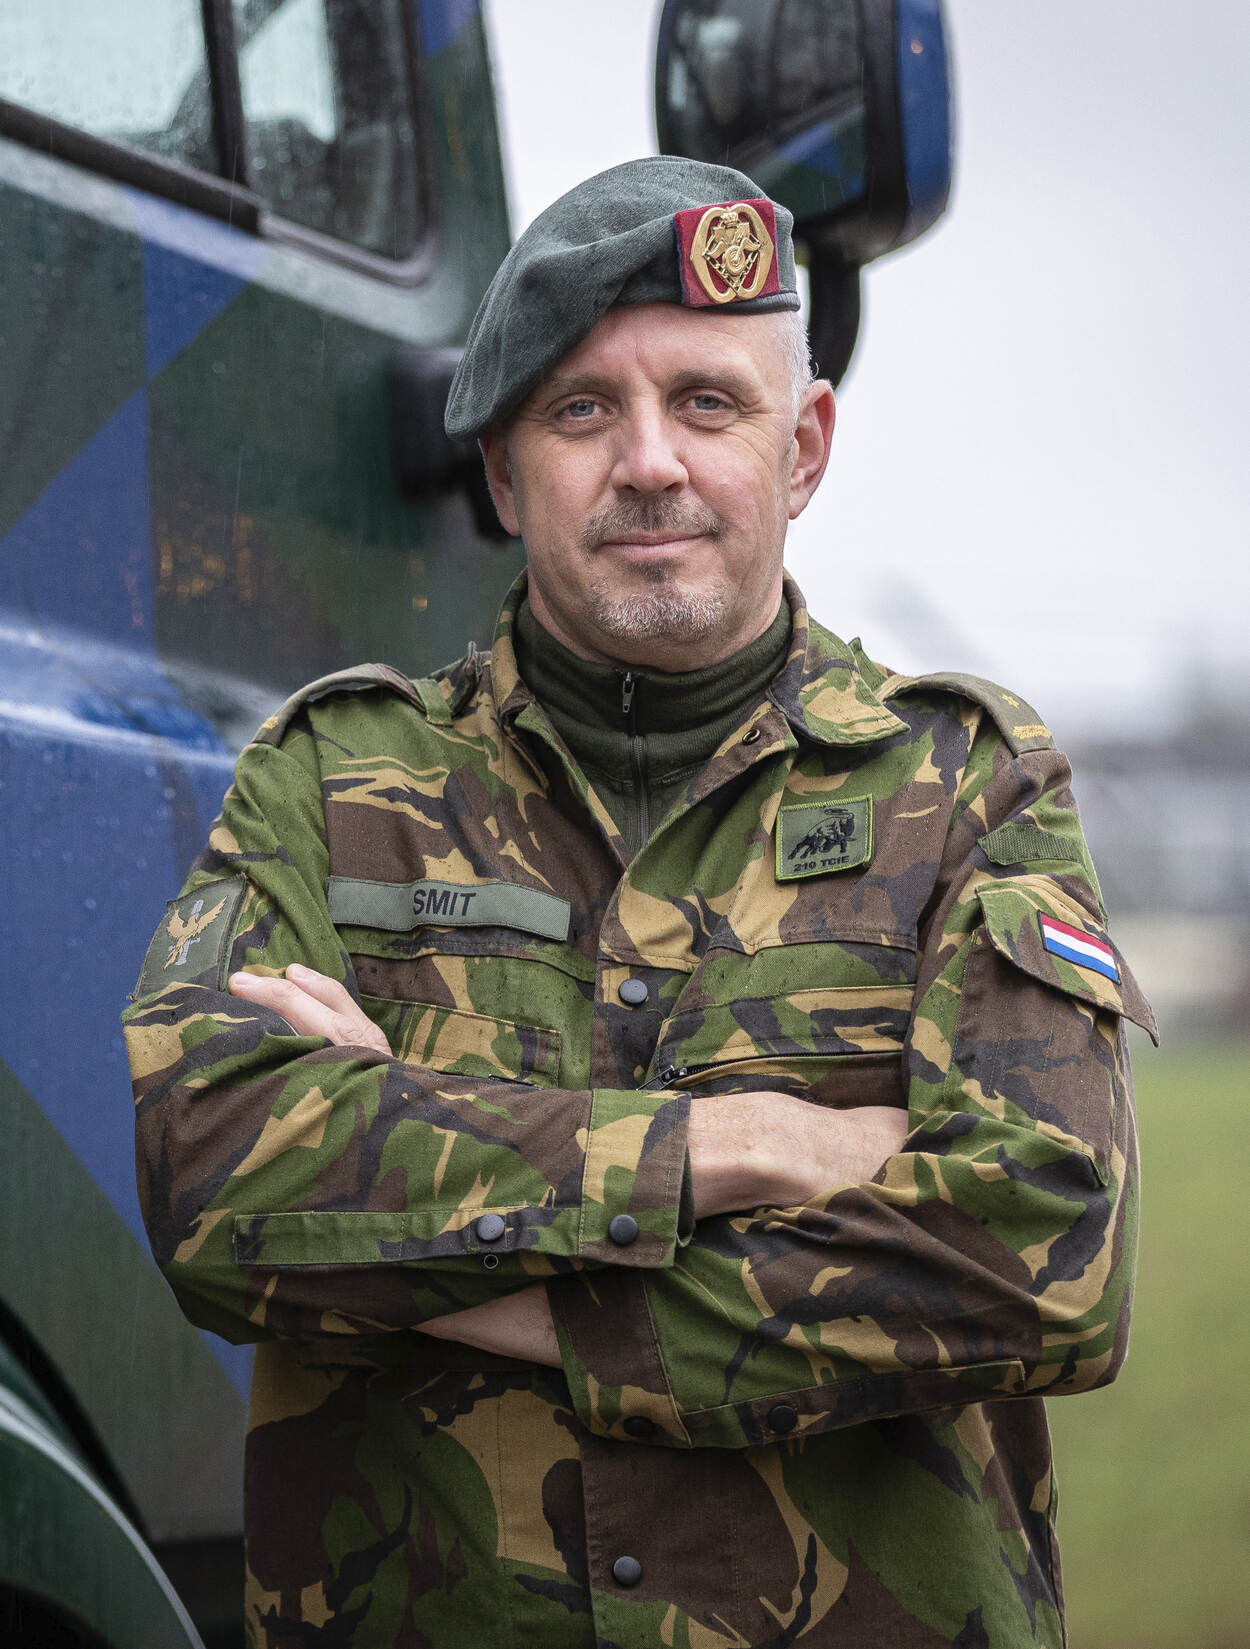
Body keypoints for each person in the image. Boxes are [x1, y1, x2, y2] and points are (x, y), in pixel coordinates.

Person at [123, 157, 1156, 1647]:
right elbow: (215, 1173)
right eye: (581, 411)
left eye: (708, 402)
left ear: (802, 448)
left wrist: (467, 1266)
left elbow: (1044, 1258)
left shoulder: (967, 788)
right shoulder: (333, 782)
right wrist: (746, 1145)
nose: (650, 461)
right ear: (500, 473)